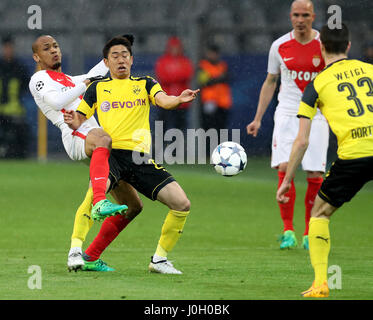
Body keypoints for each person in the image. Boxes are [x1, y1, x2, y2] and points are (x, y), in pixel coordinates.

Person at [64, 35, 199, 274]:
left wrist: (178, 99)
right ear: (106, 62)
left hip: (139, 159)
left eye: (125, 55)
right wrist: (73, 121)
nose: (121, 60)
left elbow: (164, 101)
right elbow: (80, 118)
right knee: (94, 198)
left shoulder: (145, 83)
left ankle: (159, 260)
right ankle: (75, 251)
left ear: (132, 59)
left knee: (181, 204)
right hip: (111, 155)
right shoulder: (97, 88)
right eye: (115, 56)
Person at [277, 23, 373, 298]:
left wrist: (287, 180)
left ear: (321, 48)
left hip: (353, 156)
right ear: (349, 46)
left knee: (319, 214)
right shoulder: (370, 71)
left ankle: (321, 283)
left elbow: (302, 140)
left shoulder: (316, 84)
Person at [29, 35, 128, 271]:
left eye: (55, 46)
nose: (53, 51)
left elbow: (95, 72)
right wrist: (85, 83)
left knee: (132, 206)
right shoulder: (39, 79)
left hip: (92, 135)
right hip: (75, 135)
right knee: (104, 139)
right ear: (36, 57)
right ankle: (99, 202)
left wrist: (116, 49)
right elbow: (56, 102)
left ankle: (81, 254)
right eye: (46, 48)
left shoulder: (67, 79)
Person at [246, 0, 328, 250]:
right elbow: (271, 81)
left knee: (315, 173)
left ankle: (308, 232)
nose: (300, 19)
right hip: (288, 112)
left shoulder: (324, 45)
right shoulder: (279, 45)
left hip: (317, 114)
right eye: (296, 15)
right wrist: (258, 117)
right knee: (284, 166)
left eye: (305, 15)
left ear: (313, 16)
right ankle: (288, 230)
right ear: (290, 17)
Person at [155, 36, 194, 132]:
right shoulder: (163, 61)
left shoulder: (184, 61)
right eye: (173, 48)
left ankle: (178, 145)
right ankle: (161, 145)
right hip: (165, 99)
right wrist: (177, 77)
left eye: (177, 48)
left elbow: (188, 74)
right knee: (162, 125)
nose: (175, 50)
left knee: (180, 127)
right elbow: (162, 76)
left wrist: (172, 76)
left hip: (181, 101)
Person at [0, 35, 30, 158]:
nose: (8, 50)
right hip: (3, 113)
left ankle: (17, 155)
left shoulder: (19, 67)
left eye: (10, 47)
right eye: (6, 47)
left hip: (14, 112)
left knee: (20, 132)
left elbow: (28, 87)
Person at [197, 44, 232, 132]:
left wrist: (214, 79)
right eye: (211, 53)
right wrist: (219, 78)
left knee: (221, 130)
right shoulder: (203, 66)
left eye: (215, 53)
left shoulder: (222, 65)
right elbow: (205, 81)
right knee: (209, 131)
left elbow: (227, 78)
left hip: (222, 103)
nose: (213, 56)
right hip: (209, 102)